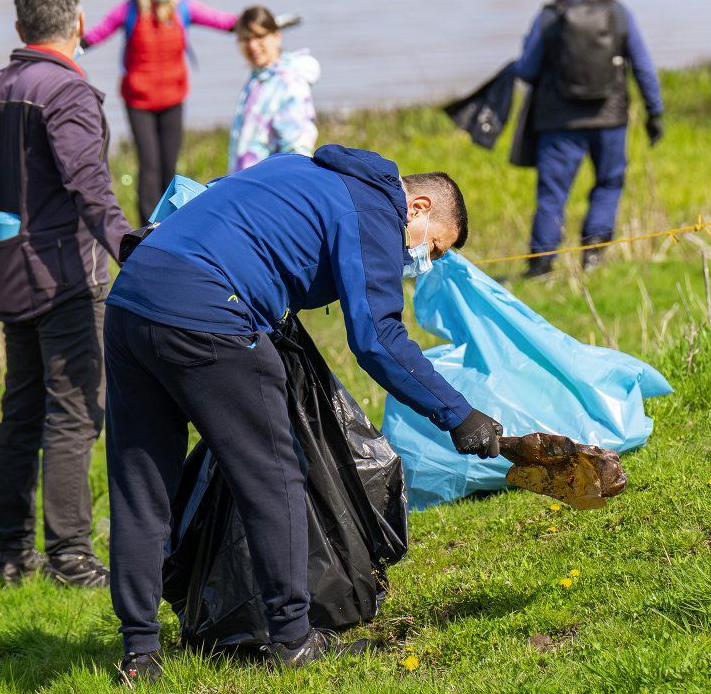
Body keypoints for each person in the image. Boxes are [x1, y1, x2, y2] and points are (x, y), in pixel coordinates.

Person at [102, 145, 504, 680]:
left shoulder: (297, 167)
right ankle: (292, 638)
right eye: (430, 246)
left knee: (141, 482)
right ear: (419, 206)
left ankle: (138, 654)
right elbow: (377, 339)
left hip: (131, 296)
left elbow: (211, 205)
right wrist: (458, 414)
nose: (420, 260)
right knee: (273, 474)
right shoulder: (375, 210)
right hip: (207, 312)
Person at [0, 0, 132, 587]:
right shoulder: (68, 93)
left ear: (20, 28)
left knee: (20, 413)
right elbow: (89, 185)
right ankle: (71, 559)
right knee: (73, 414)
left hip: (11, 280)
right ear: (78, 25)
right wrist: (133, 247)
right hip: (71, 280)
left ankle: (10, 555)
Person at [511, 0, 664, 276]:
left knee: (552, 195)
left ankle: (541, 267)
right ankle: (593, 257)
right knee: (608, 184)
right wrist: (655, 112)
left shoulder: (549, 16)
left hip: (559, 124)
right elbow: (643, 65)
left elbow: (526, 70)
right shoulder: (617, 11)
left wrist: (527, 48)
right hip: (609, 120)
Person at [82, 0, 237, 224]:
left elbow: (222, 21)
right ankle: (147, 230)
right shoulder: (129, 10)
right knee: (150, 168)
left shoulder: (183, 9)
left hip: (173, 99)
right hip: (138, 101)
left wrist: (255, 24)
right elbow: (97, 33)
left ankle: (171, 225)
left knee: (169, 168)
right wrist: (67, 48)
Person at [228, 6, 320, 174]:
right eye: (245, 39)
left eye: (259, 36)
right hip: (245, 185)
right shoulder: (257, 79)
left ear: (277, 36)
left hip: (269, 188)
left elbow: (297, 152)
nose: (253, 45)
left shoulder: (290, 83)